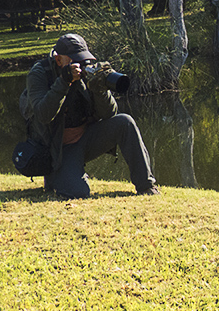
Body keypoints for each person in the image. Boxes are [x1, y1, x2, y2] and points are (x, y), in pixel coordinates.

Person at [22, 33, 160, 198]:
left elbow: (110, 114)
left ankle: (146, 186)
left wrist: (99, 89)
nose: (81, 64)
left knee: (125, 122)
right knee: (78, 192)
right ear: (59, 60)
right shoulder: (40, 73)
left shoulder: (89, 72)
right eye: (75, 60)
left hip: (87, 138)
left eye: (83, 59)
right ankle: (56, 176)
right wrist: (64, 81)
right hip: (59, 148)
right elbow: (43, 115)